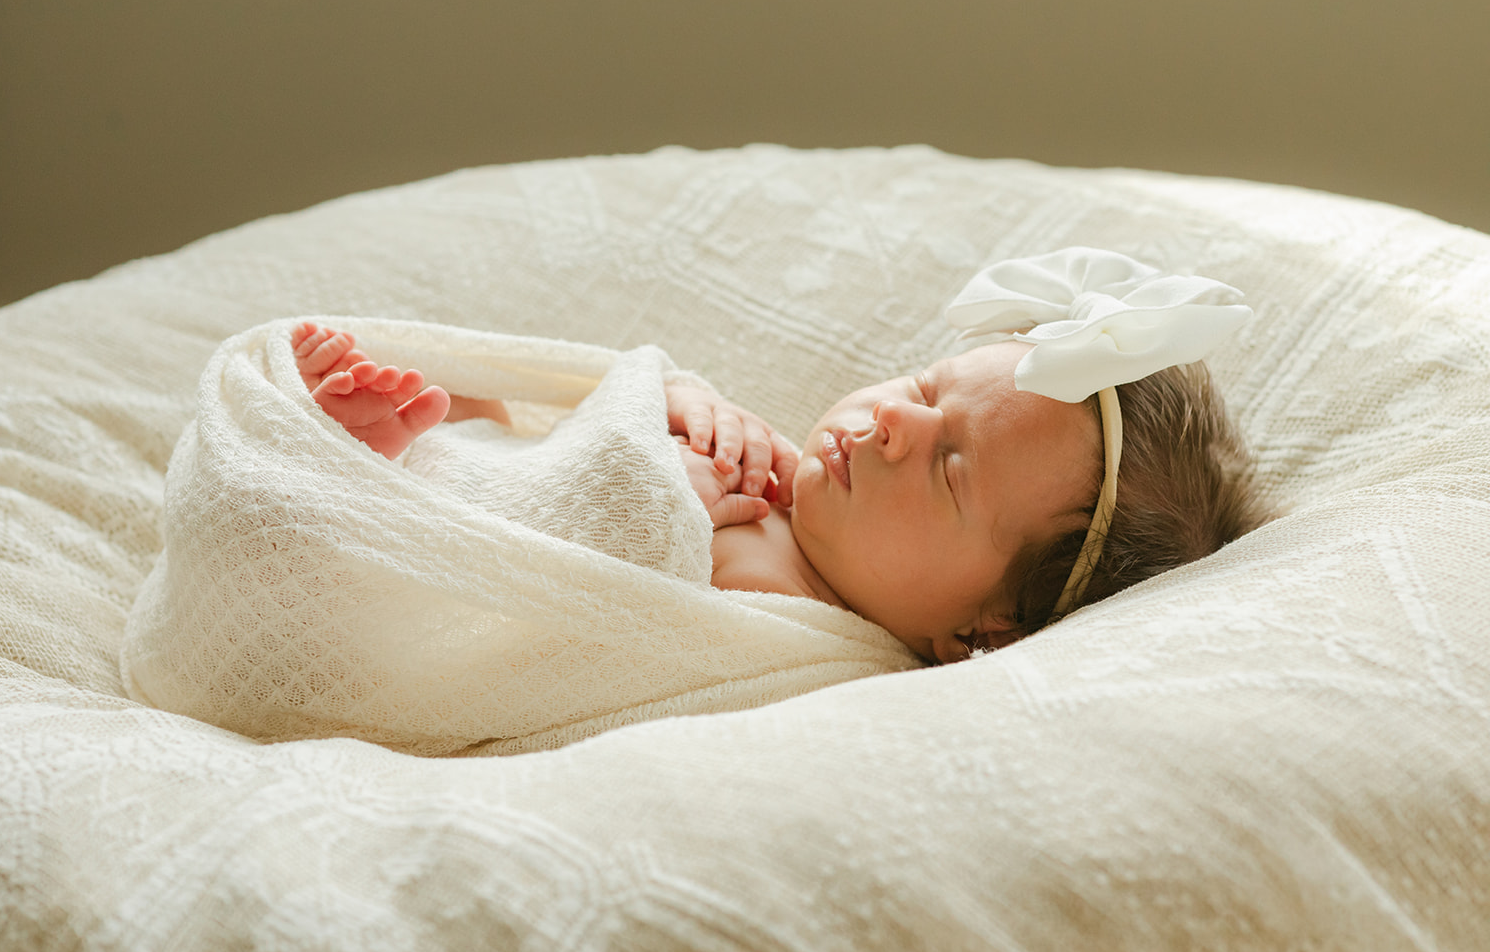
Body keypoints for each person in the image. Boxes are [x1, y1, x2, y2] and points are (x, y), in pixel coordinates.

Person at [289, 247, 1277, 667]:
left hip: (466, 594)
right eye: (925, 388)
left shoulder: (813, 641)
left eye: (948, 469)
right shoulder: (780, 484)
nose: (892, 422)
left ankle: (385, 463)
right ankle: (425, 432)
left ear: (982, 632)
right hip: (496, 509)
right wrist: (675, 400)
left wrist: (651, 509)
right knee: (496, 429)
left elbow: (613, 648)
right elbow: (606, 408)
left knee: (460, 501)